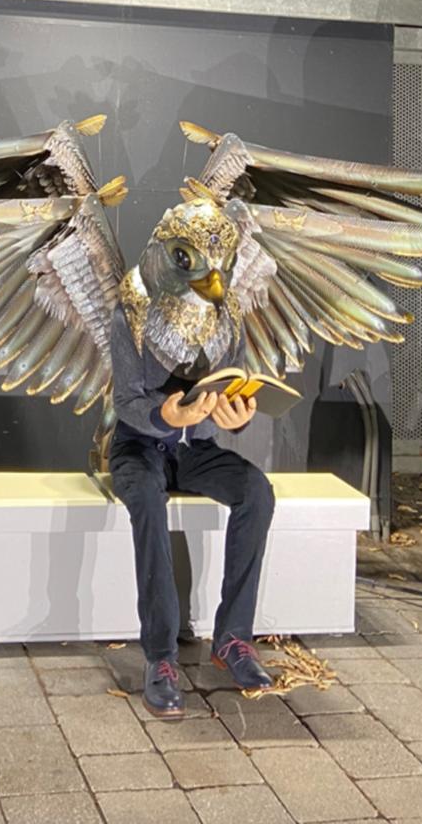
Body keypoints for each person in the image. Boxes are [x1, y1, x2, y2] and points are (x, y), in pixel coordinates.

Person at [109, 199, 276, 719]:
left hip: (196, 449)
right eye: (189, 259)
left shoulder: (229, 315)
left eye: (222, 266)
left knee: (256, 491)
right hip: (138, 445)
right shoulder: (130, 307)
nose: (212, 281)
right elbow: (126, 401)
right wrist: (166, 414)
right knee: (147, 501)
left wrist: (237, 414)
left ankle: (233, 638)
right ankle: (160, 657)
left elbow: (234, 386)